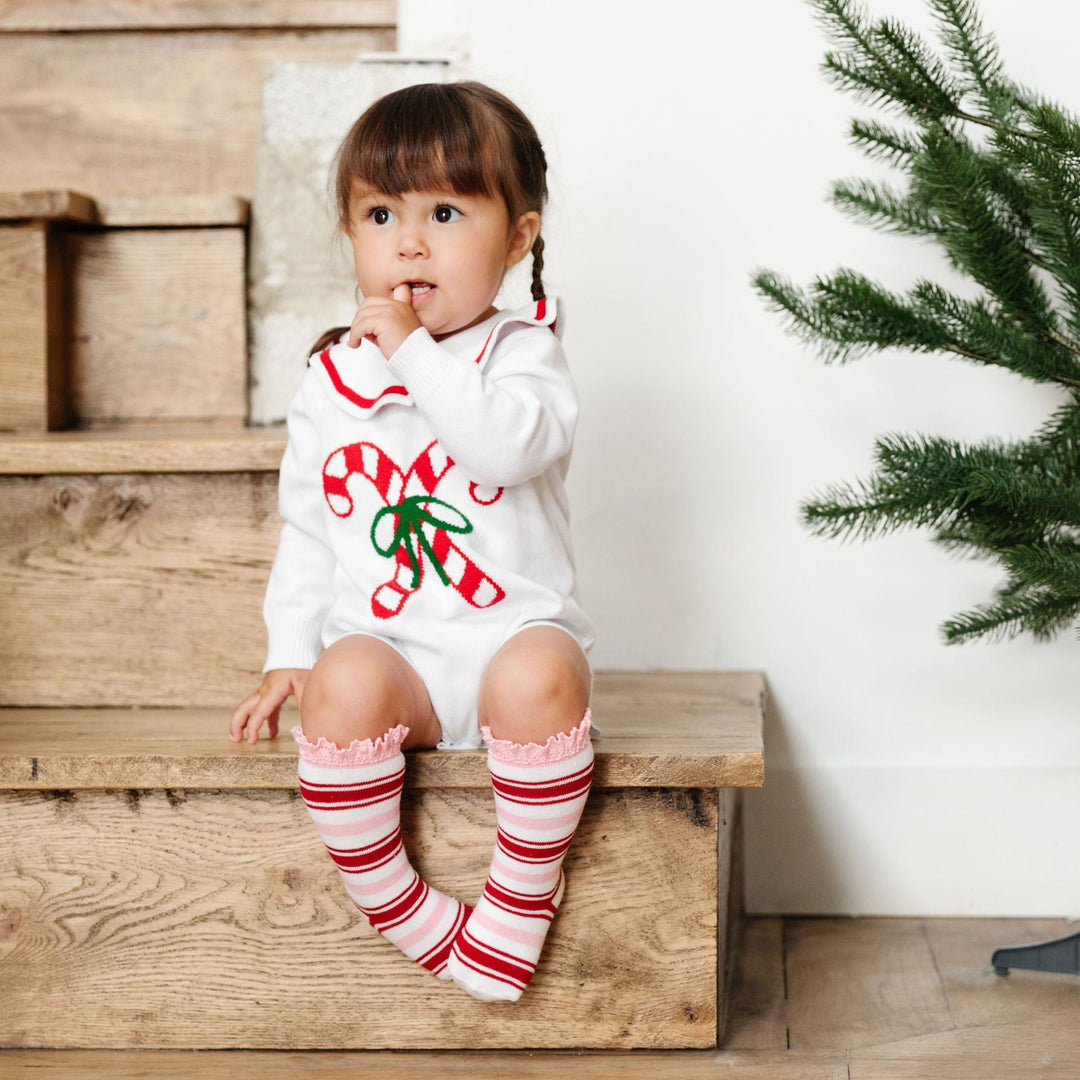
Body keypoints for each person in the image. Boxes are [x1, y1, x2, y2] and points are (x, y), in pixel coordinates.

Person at [229, 81, 595, 1003]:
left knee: (545, 673)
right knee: (341, 684)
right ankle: (401, 908)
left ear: (517, 238)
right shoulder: (331, 381)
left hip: (510, 646)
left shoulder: (524, 356)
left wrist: (412, 354)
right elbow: (310, 525)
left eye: (444, 211)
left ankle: (518, 900)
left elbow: (503, 449)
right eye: (380, 213)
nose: (409, 241)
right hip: (404, 664)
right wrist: (287, 650)